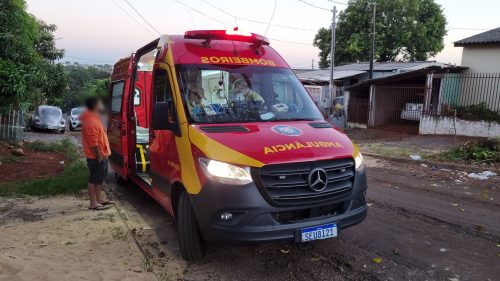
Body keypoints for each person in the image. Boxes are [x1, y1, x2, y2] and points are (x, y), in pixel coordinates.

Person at [80, 97, 113, 210]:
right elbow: (93, 143)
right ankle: (93, 203)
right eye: (99, 103)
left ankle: (99, 199)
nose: (101, 104)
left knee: (99, 179)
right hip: (96, 157)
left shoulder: (95, 118)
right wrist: (98, 157)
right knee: (94, 179)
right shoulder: (90, 121)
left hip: (102, 155)